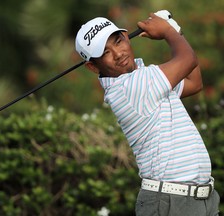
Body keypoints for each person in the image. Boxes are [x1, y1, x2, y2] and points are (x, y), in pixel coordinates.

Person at [75, 11, 220, 216]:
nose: (118, 53)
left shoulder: (147, 78)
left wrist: (176, 31)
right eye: (105, 53)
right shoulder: (129, 88)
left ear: (126, 36)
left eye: (118, 42)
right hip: (170, 203)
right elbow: (188, 59)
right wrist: (168, 31)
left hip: (197, 200)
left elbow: (194, 83)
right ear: (92, 66)